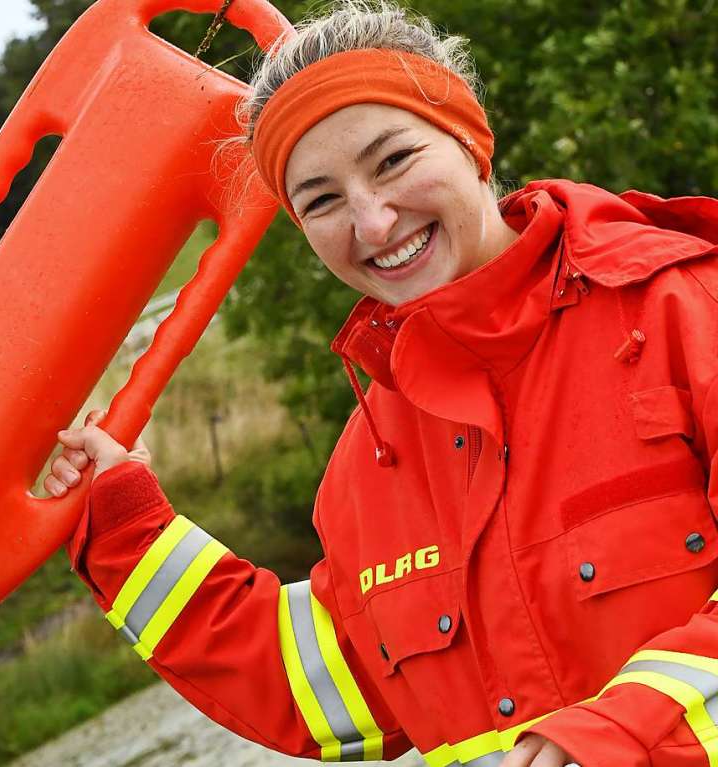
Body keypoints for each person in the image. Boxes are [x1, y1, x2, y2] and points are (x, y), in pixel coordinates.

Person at [46, 2, 718, 765]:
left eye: (393, 160)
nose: (371, 222)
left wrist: (611, 733)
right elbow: (316, 687)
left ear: (470, 142)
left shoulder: (684, 309)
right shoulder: (360, 472)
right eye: (322, 200)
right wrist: (125, 530)